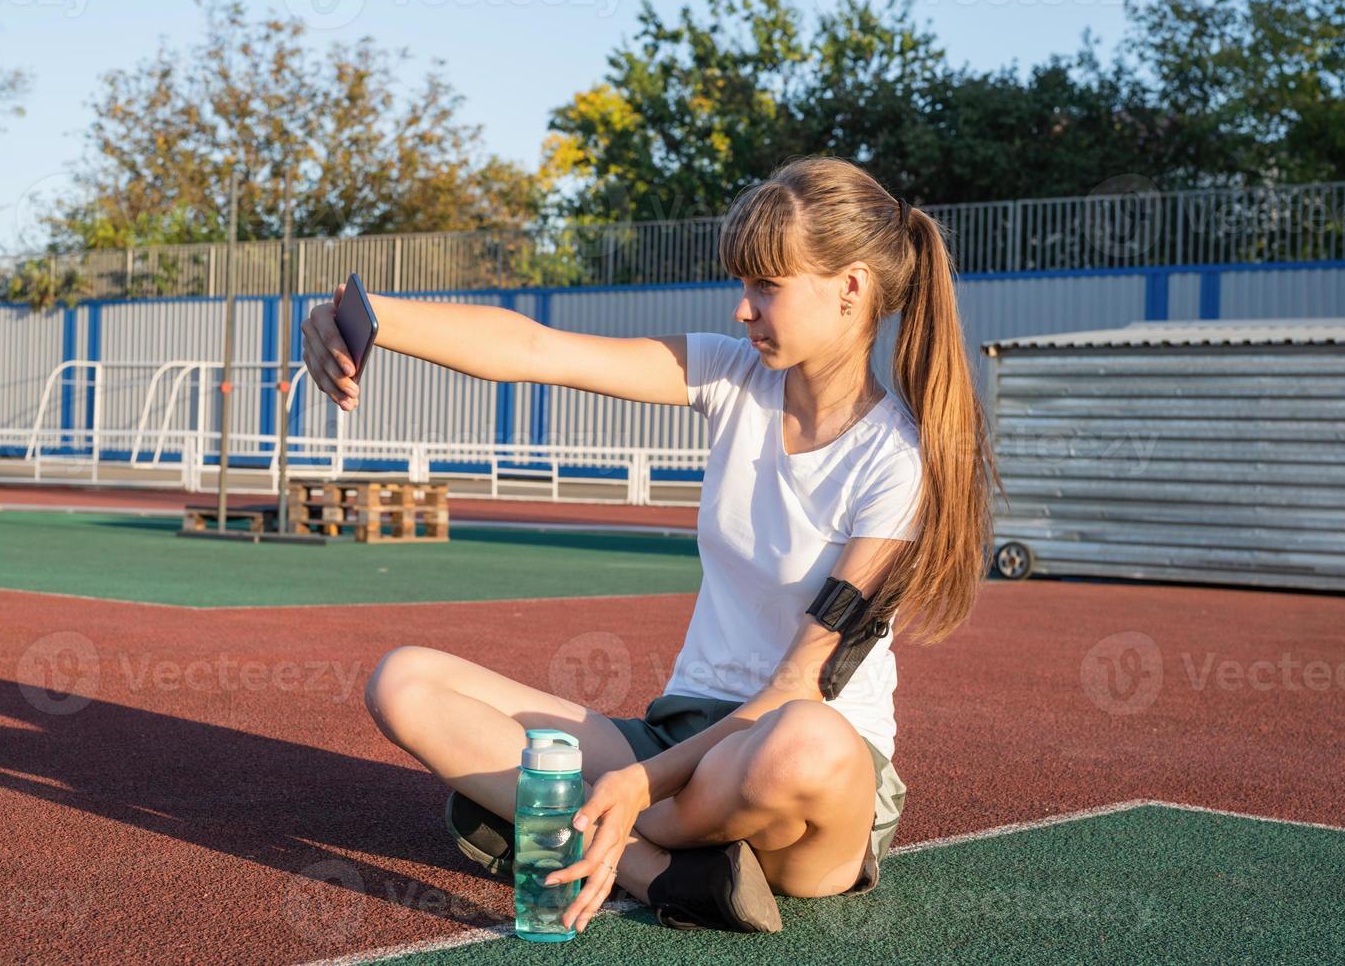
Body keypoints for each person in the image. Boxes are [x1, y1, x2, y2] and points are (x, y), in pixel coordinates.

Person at [300, 154, 999, 936]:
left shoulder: (897, 462)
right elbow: (538, 351)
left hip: (806, 792)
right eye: (742, 286)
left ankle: (566, 826)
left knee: (801, 742)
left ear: (850, 288)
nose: (742, 310)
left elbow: (802, 684)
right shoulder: (729, 377)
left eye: (765, 286)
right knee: (406, 680)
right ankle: (652, 870)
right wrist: (363, 314)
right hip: (682, 738)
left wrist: (634, 785)